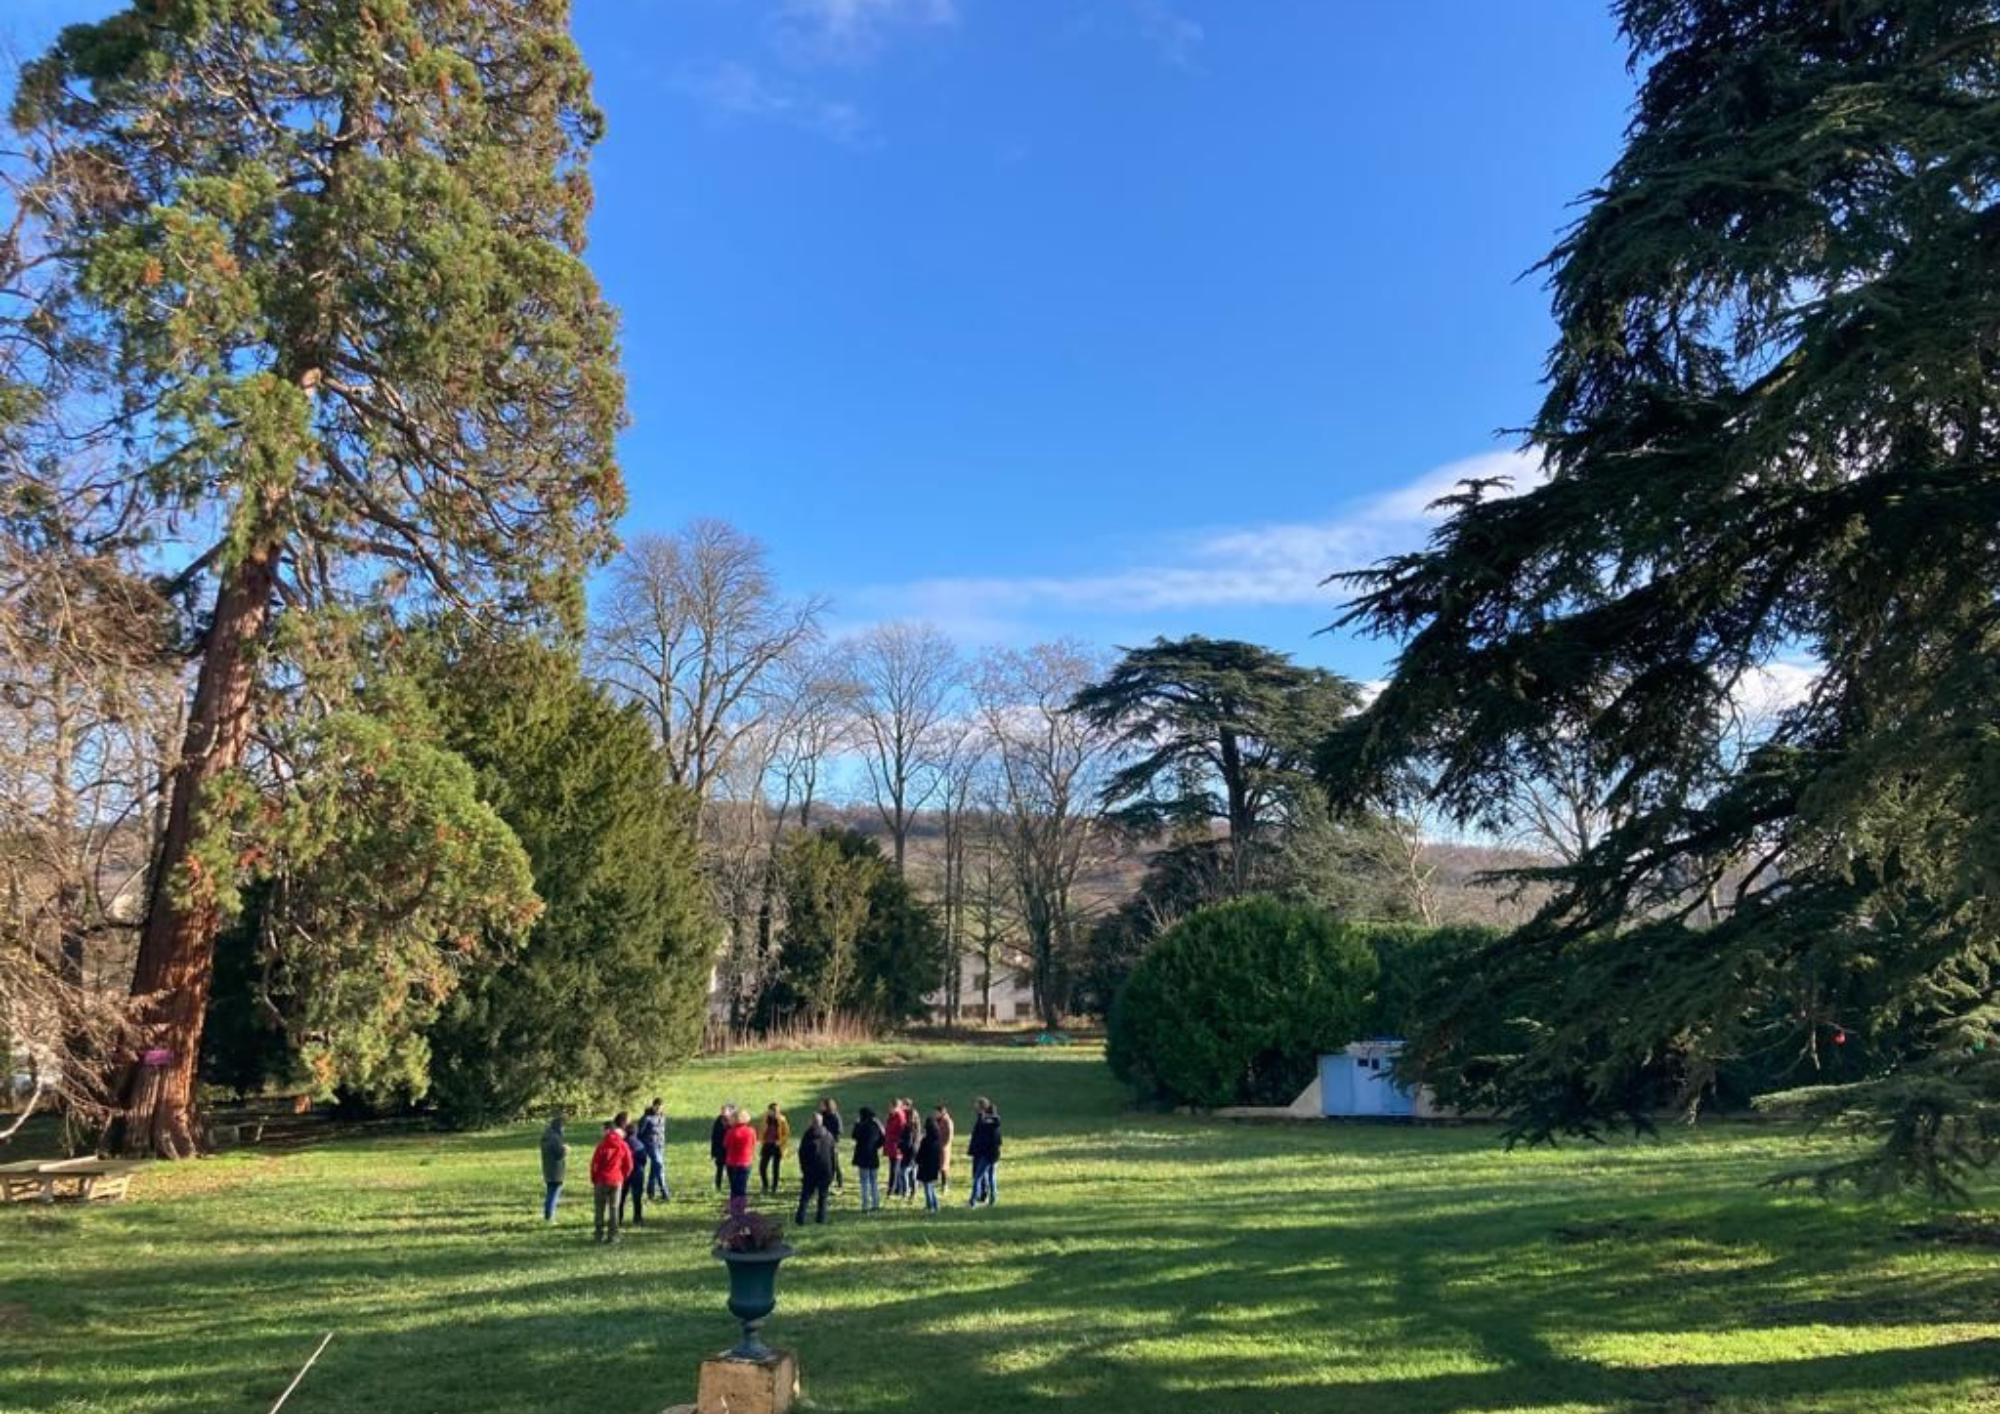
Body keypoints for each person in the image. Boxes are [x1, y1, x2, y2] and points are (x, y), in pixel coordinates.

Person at [590, 1113, 633, 1243]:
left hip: (602, 1180)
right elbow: (629, 1165)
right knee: (614, 1208)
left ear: (608, 1131)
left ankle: (599, 1235)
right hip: (617, 1180)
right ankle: (613, 1236)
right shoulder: (623, 1145)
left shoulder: (602, 1145)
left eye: (603, 1130)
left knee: (599, 1208)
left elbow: (594, 1165)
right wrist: (623, 1177)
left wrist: (594, 1179)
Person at [794, 1114, 836, 1226]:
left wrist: (804, 1169)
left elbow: (802, 1154)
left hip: (811, 1170)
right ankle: (820, 1219)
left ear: (812, 1122)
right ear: (821, 1122)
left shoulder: (808, 1135)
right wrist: (833, 1170)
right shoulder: (829, 1135)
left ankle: (800, 1218)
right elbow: (833, 1155)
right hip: (826, 1170)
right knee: (823, 1196)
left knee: (805, 1196)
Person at [721, 1102, 757, 1216]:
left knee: (734, 1188)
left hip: (732, 1162)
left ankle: (734, 1209)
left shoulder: (731, 1132)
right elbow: (753, 1143)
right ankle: (740, 1210)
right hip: (745, 1162)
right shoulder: (751, 1131)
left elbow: (725, 1145)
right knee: (742, 1188)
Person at [967, 1096, 1001, 1207]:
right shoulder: (994, 1122)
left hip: (987, 1154)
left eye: (977, 1105)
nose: (975, 1106)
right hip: (994, 1154)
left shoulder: (985, 1121)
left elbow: (982, 1136)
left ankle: (973, 1202)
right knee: (991, 1177)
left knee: (978, 1177)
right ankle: (992, 1200)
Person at [850, 1105, 885, 1212]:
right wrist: (875, 1146)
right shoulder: (876, 1125)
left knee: (864, 1182)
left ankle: (865, 1206)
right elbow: (883, 1139)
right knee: (874, 1181)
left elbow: (854, 1136)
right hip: (873, 1155)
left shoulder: (861, 1125)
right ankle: (876, 1204)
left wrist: (856, 1124)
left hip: (862, 1156)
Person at [638, 1098, 669, 1202]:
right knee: (660, 1167)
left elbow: (662, 1132)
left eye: (660, 1107)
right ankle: (665, 1192)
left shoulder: (662, 1117)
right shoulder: (646, 1118)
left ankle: (650, 1192)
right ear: (653, 1106)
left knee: (654, 1169)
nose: (658, 1109)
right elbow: (640, 1133)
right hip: (650, 1145)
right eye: (656, 1106)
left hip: (660, 1145)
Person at [539, 1110, 568, 1221]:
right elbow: (559, 1154)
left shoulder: (546, 1136)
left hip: (548, 1169)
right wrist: (565, 1149)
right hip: (556, 1171)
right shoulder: (555, 1138)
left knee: (550, 1193)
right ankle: (550, 1217)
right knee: (553, 1195)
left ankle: (548, 1215)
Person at [915, 1111, 944, 1212]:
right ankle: (935, 1205)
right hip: (934, 1166)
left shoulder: (926, 1140)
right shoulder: (937, 1139)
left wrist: (917, 1160)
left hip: (925, 1166)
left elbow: (920, 1154)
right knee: (930, 1186)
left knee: (927, 1187)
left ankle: (930, 1207)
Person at [620, 1119, 647, 1226]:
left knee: (621, 1197)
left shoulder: (622, 1144)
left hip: (624, 1174)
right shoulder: (640, 1144)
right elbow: (644, 1159)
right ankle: (637, 1218)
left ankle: (618, 1218)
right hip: (638, 1173)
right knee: (637, 1198)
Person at [759, 1103, 791, 1195]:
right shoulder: (765, 1118)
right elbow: (762, 1129)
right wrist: (762, 1139)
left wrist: (780, 1142)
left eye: (772, 1111)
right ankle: (765, 1185)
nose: (770, 1113)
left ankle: (774, 1187)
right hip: (767, 1145)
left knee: (775, 1168)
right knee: (762, 1167)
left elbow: (787, 1134)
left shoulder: (782, 1120)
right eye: (769, 1111)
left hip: (777, 1146)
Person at [882, 1099, 909, 1200]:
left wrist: (894, 1140)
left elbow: (901, 1132)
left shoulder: (900, 1117)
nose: (889, 1109)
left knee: (894, 1169)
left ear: (896, 1107)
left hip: (896, 1146)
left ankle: (891, 1190)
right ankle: (897, 1188)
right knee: (894, 1168)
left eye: (891, 1107)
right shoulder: (892, 1116)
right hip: (891, 1145)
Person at [818, 1097, 845, 1192]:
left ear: (827, 1106)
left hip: (832, 1143)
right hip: (822, 1143)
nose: (820, 1106)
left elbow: (839, 1131)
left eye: (822, 1105)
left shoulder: (835, 1116)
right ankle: (826, 1182)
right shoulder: (821, 1115)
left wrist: (832, 1140)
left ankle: (839, 1182)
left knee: (834, 1163)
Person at [894, 1098, 919, 1202]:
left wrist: (899, 1144)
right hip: (914, 1149)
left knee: (904, 1171)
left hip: (909, 1150)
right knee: (912, 1171)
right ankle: (913, 1191)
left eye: (903, 1105)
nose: (901, 1107)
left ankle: (906, 1192)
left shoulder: (909, 1124)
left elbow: (908, 1140)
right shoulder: (913, 1120)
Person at [710, 1103, 732, 1192]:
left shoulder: (732, 1121)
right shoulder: (718, 1120)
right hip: (720, 1150)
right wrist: (713, 1152)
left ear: (729, 1111)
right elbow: (714, 1137)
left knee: (730, 1170)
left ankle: (732, 1186)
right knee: (719, 1170)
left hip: (729, 1151)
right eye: (722, 1110)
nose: (723, 1112)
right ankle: (718, 1186)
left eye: (724, 1110)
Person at [934, 1103, 955, 1192]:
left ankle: (944, 1185)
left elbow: (950, 1135)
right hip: (937, 1146)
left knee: (943, 1167)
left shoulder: (947, 1121)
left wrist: (944, 1146)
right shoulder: (937, 1120)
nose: (935, 1114)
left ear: (942, 1112)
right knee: (938, 1166)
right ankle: (939, 1183)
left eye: (936, 1112)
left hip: (943, 1148)